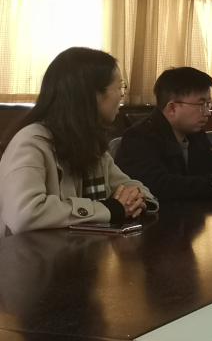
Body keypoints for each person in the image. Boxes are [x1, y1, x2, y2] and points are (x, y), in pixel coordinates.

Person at [0, 47, 157, 235]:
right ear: (93, 95)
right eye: (119, 87)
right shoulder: (32, 142)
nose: (122, 95)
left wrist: (136, 200)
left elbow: (133, 188)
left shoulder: (89, 144)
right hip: (33, 253)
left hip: (78, 250)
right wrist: (110, 209)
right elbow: (24, 214)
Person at [115, 67, 212, 199]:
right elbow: (161, 186)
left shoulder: (195, 134)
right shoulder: (139, 138)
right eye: (201, 105)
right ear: (172, 108)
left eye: (208, 104)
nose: (208, 112)